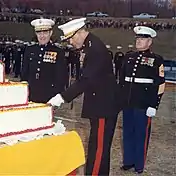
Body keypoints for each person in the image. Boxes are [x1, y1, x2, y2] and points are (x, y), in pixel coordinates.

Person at [47, 18, 118, 176]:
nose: (71, 42)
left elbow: (85, 81)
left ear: (80, 33)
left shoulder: (95, 50)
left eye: (72, 38)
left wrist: (62, 97)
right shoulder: (90, 46)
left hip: (103, 107)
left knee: (98, 148)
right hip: (101, 104)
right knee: (99, 146)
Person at [119, 26, 165, 174]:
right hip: (128, 102)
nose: (138, 41)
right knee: (128, 133)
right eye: (137, 38)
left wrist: (154, 105)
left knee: (141, 135)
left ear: (149, 41)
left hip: (144, 105)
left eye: (142, 39)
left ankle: (139, 164)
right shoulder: (128, 57)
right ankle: (128, 161)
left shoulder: (156, 59)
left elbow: (161, 84)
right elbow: (122, 81)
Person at [21, 18, 68, 103]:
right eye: (39, 33)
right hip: (31, 94)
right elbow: (24, 73)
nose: (42, 36)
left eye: (45, 33)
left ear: (51, 33)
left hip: (49, 95)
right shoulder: (29, 50)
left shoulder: (58, 52)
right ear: (36, 33)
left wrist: (56, 95)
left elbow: (61, 76)